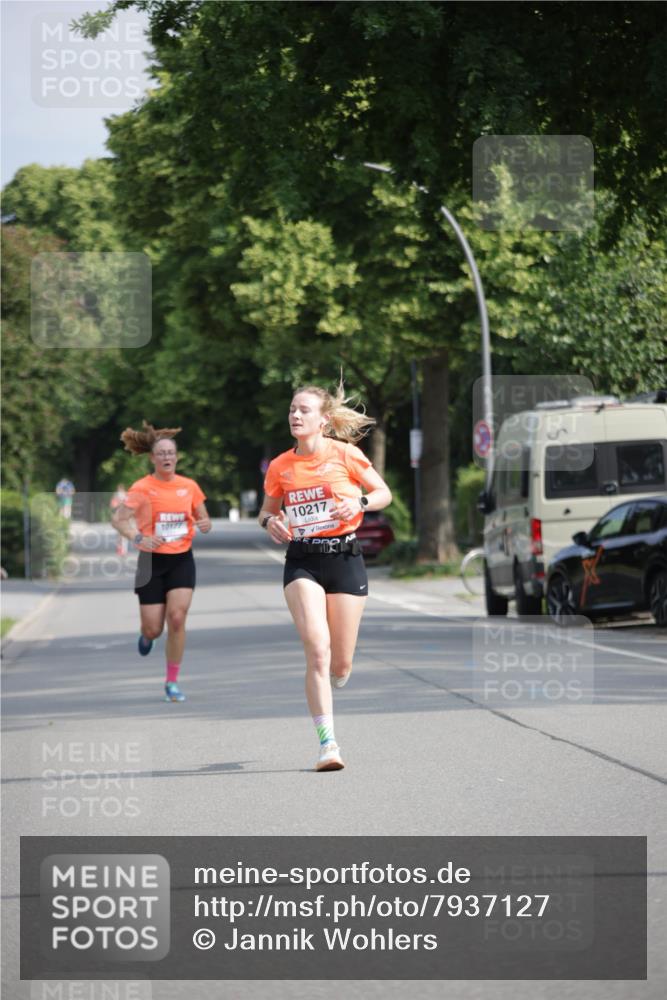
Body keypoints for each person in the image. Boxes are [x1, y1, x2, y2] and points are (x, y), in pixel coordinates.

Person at [259, 382, 392, 772]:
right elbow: (266, 511)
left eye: (303, 410)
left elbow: (383, 493)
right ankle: (328, 745)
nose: (295, 416)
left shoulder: (346, 454)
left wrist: (359, 501)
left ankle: (337, 675)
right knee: (317, 649)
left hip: (345, 558)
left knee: (340, 665)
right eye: (291, 410)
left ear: (324, 419)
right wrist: (271, 522)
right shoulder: (281, 466)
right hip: (302, 560)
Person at [111, 422, 212, 702]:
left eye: (171, 452)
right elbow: (118, 519)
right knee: (154, 628)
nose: (167, 457)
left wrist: (204, 524)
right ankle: (146, 637)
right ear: (153, 458)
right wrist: (137, 537)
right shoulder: (142, 487)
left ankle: (172, 682)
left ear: (176, 457)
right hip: (151, 563)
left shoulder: (189, 486)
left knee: (177, 619)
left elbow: (203, 517)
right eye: (162, 453)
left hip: (181, 559)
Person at [110, 484, 129, 556]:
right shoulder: (119, 495)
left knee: (121, 533)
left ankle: (122, 549)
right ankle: (122, 549)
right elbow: (113, 505)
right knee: (121, 533)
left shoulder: (124, 495)